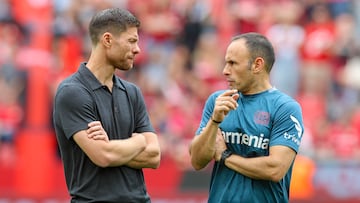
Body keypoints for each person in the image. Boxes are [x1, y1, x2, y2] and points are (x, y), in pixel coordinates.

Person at [53, 8, 161, 203]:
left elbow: (154, 156)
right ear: (108, 40)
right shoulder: (72, 92)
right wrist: (138, 142)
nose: (138, 49)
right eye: (132, 41)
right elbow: (103, 156)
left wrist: (111, 146)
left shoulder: (132, 92)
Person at [189, 32, 304, 203]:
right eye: (225, 63)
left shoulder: (285, 108)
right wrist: (214, 122)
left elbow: (275, 169)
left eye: (233, 63)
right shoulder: (218, 101)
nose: (225, 71)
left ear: (257, 65)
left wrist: (226, 156)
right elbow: (197, 161)